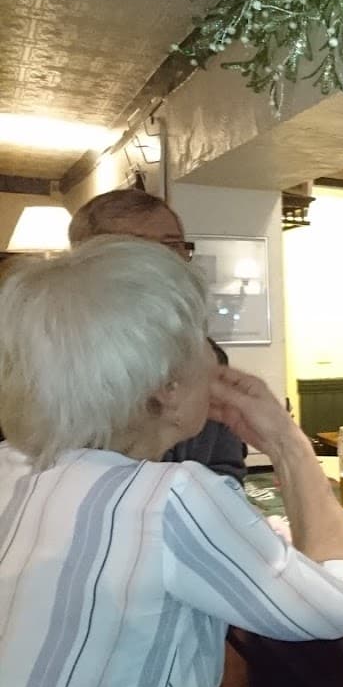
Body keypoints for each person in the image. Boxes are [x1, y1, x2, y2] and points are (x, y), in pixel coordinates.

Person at [0, 237, 343, 687]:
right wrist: (288, 442)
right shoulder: (168, 498)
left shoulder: (10, 466)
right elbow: (338, 606)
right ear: (166, 387)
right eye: (200, 336)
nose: (214, 356)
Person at [68, 188, 248, 482]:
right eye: (136, 248)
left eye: (172, 246)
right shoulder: (52, 356)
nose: (163, 262)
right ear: (84, 260)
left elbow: (225, 467)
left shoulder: (205, 355)